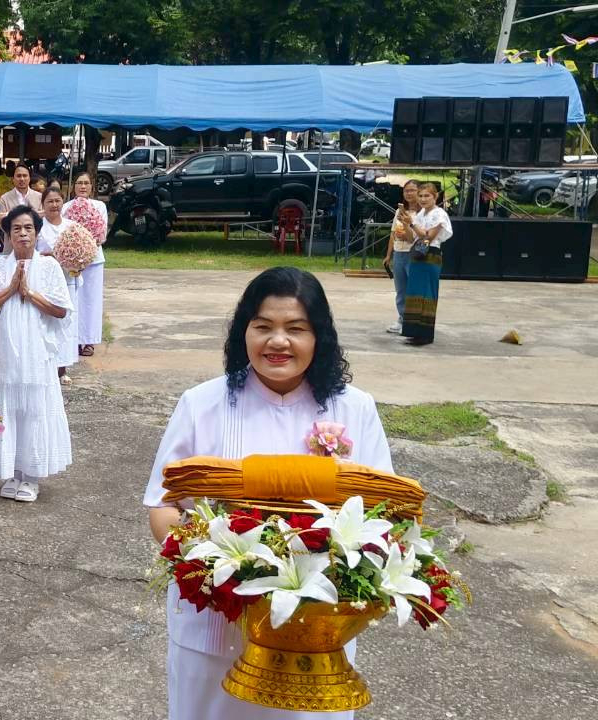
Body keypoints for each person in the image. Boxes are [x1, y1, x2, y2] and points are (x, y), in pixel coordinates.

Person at [143, 266, 392, 720]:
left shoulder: (355, 409)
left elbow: (384, 514)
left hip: (316, 629)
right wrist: (214, 567)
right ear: (244, 333)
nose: (278, 342)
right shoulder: (201, 404)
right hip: (216, 622)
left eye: (296, 328)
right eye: (263, 327)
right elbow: (162, 504)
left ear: (320, 337)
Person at [0, 206, 73, 503]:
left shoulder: (49, 267)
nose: (22, 234)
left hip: (36, 353)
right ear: (7, 233)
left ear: (37, 232)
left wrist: (30, 293)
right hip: (4, 351)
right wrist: (10, 288)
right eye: (16, 228)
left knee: (33, 411)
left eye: (28, 228)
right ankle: (12, 473)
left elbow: (60, 310)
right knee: (6, 408)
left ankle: (30, 476)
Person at [35, 188, 81, 385]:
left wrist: (75, 261)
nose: (54, 205)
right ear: (43, 205)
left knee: (67, 322)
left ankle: (63, 368)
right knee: (47, 323)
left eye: (57, 201)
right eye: (49, 201)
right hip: (45, 281)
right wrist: (51, 256)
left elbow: (81, 252)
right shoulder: (38, 228)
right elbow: (34, 253)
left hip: (68, 279)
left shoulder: (72, 226)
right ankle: (47, 365)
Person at [62, 173, 108, 357]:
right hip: (72, 261)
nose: (82, 186)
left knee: (91, 301)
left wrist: (87, 248)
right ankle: (74, 340)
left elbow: (101, 234)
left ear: (91, 187)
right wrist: (74, 251)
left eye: (86, 183)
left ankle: (89, 340)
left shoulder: (100, 206)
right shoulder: (66, 207)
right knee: (74, 300)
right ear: (74, 186)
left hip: (94, 260)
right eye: (79, 183)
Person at [400, 182, 451, 346]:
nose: (422, 199)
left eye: (426, 196)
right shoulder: (421, 214)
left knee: (427, 292)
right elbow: (411, 238)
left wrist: (413, 224)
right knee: (414, 292)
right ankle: (414, 331)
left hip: (430, 254)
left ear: (435, 197)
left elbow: (428, 237)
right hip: (417, 254)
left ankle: (425, 334)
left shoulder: (439, 214)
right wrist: (408, 224)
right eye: (420, 195)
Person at [383, 180, 421, 334]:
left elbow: (420, 236)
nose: (409, 193)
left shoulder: (423, 213)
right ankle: (401, 318)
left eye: (412, 190)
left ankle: (414, 320)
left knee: (414, 289)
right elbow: (393, 234)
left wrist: (408, 231)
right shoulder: (399, 212)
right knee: (401, 289)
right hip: (399, 252)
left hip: (414, 253)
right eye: (406, 191)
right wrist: (388, 255)